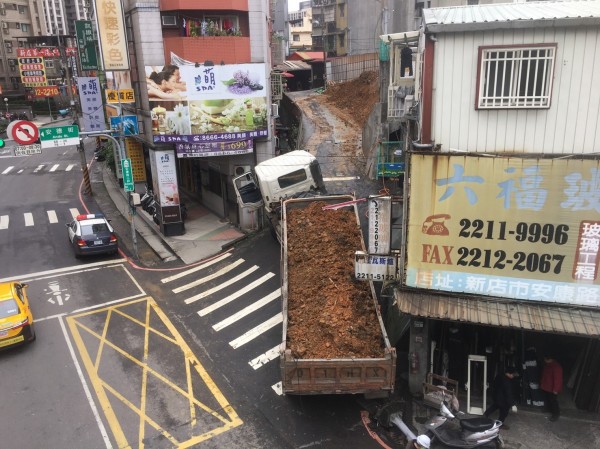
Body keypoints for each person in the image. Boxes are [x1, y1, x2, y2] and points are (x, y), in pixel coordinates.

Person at [540, 355, 563, 422]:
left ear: (549, 359)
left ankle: (556, 414)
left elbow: (558, 379)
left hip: (552, 388)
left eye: (545, 359)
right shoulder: (548, 365)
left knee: (553, 401)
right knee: (547, 399)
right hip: (546, 386)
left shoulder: (556, 367)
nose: (544, 360)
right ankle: (548, 409)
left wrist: (556, 389)